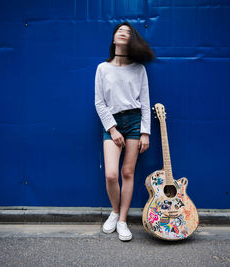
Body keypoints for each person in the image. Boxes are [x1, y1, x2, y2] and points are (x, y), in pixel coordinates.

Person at [94, 21, 155, 241]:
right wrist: (112, 129)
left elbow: (146, 103)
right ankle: (115, 210)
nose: (123, 33)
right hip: (112, 122)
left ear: (131, 40)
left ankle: (122, 221)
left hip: (134, 121)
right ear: (113, 39)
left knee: (127, 173)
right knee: (111, 174)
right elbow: (99, 103)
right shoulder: (102, 68)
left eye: (128, 32)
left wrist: (145, 132)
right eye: (119, 31)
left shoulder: (139, 69)